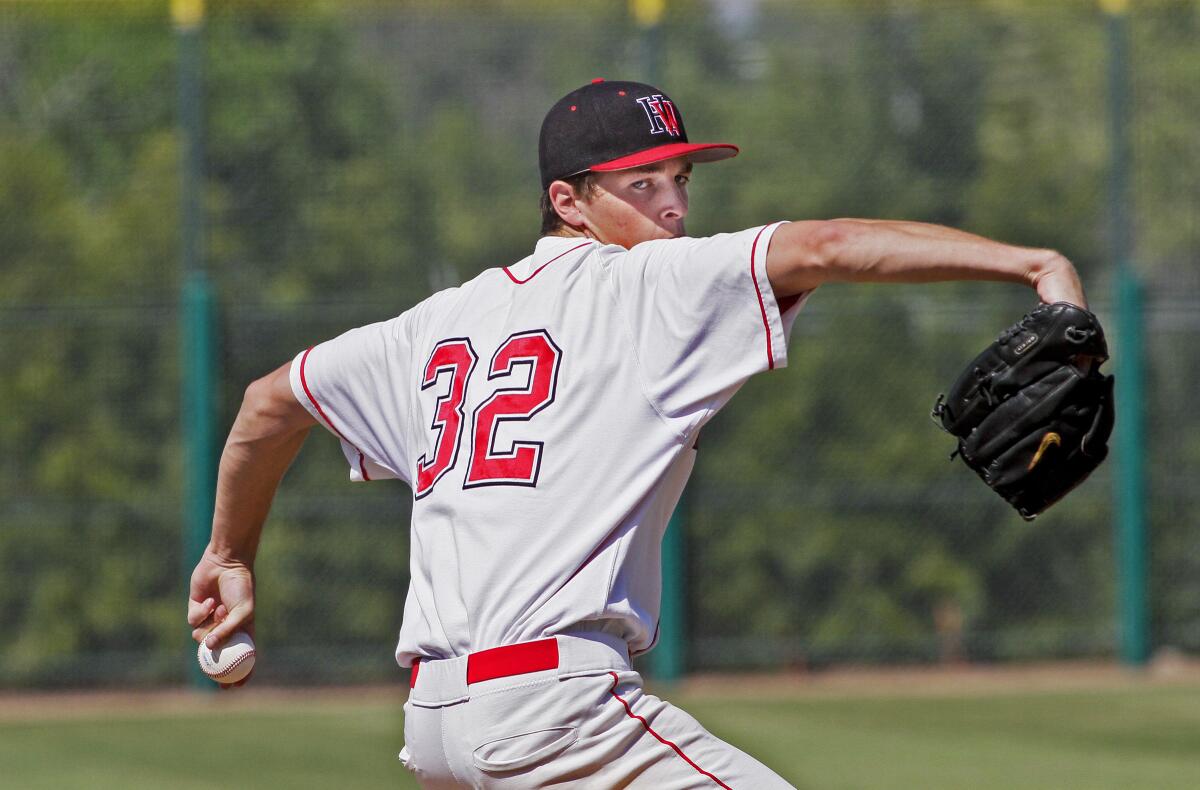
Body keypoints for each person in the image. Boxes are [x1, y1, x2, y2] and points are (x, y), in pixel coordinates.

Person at [187, 79, 1086, 788]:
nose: (673, 207)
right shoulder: (646, 288)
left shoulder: (434, 325)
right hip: (558, 713)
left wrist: (230, 550)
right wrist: (1029, 262)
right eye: (642, 183)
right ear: (568, 201)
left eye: (681, 181)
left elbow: (269, 403)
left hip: (436, 721)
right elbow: (831, 243)